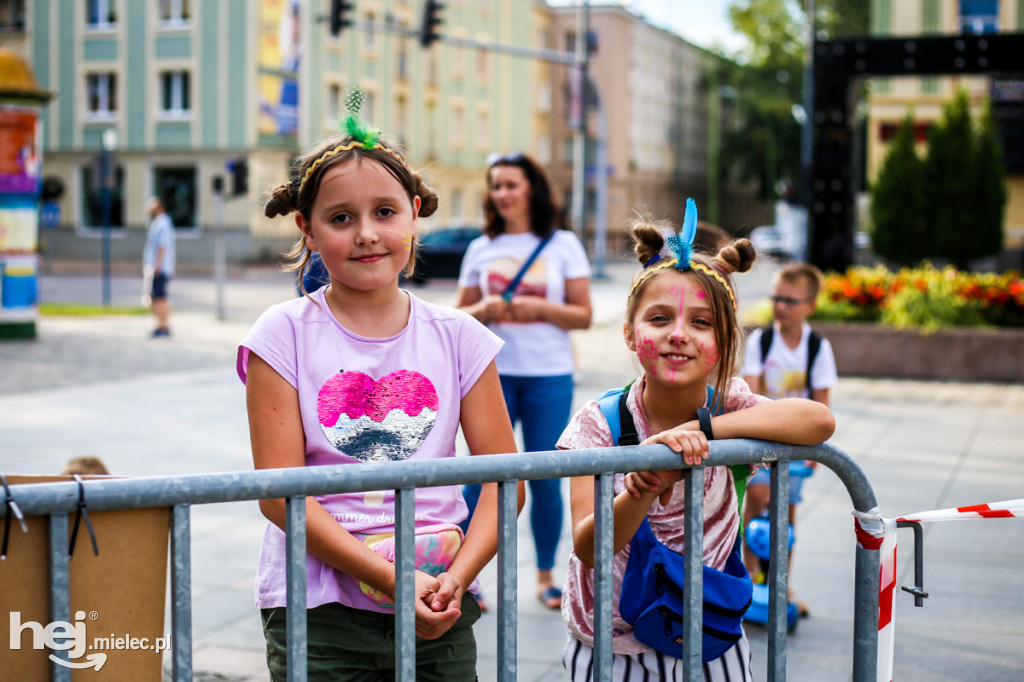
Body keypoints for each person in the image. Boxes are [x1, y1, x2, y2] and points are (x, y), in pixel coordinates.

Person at [237, 97, 522, 681]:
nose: (367, 234)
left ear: (414, 215)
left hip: (441, 604)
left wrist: (457, 581)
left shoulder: (462, 338)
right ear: (307, 230)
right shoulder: (280, 334)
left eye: (385, 212)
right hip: (320, 613)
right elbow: (278, 493)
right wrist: (391, 578)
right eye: (341, 218)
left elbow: (505, 483)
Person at [557, 205, 835, 681]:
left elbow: (818, 420)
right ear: (629, 333)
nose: (679, 335)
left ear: (726, 343)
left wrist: (706, 431)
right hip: (607, 642)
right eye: (660, 318)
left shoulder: (731, 406)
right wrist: (642, 487)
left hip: (707, 636)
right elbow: (589, 547)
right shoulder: (598, 423)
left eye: (701, 323)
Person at [455, 151, 593, 611]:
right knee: (479, 479)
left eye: (511, 184)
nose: (503, 194)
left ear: (532, 188)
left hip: (548, 375)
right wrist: (485, 310)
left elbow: (584, 314)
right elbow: (459, 316)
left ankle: (547, 576)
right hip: (489, 375)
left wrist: (540, 310)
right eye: (496, 186)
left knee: (545, 481)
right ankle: (465, 578)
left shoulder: (563, 244)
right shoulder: (480, 248)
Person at [741, 262, 838, 615]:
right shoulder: (762, 341)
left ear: (810, 305)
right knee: (755, 509)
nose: (780, 306)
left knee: (785, 519)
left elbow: (822, 401)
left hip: (796, 444)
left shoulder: (817, 347)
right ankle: (749, 578)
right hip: (763, 438)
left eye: (790, 300)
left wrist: (815, 449)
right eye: (776, 297)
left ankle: (780, 584)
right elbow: (751, 396)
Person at [142, 196, 176, 338]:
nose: (149, 206)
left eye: (153, 203)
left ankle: (163, 326)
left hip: (159, 268)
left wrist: (157, 266)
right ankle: (161, 325)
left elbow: (162, 246)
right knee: (156, 297)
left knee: (160, 298)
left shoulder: (162, 223)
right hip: (158, 267)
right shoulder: (159, 222)